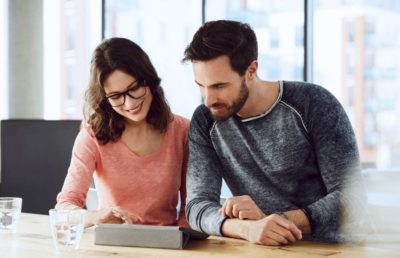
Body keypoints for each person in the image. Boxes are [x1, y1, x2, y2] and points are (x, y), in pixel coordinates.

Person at [182, 20, 369, 245]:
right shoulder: (205, 121)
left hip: (335, 252)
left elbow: (351, 198)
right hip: (266, 254)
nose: (208, 99)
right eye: (200, 85)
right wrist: (246, 229)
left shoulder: (313, 103)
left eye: (219, 86)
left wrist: (275, 220)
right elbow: (197, 207)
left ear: (251, 70)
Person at [56, 37, 189, 228]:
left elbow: (190, 209)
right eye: (116, 96)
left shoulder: (182, 131)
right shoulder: (93, 134)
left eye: (134, 88)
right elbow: (65, 207)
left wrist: (182, 241)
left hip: (168, 245)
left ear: (149, 80)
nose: (130, 104)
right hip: (113, 246)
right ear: (104, 98)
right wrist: (95, 217)